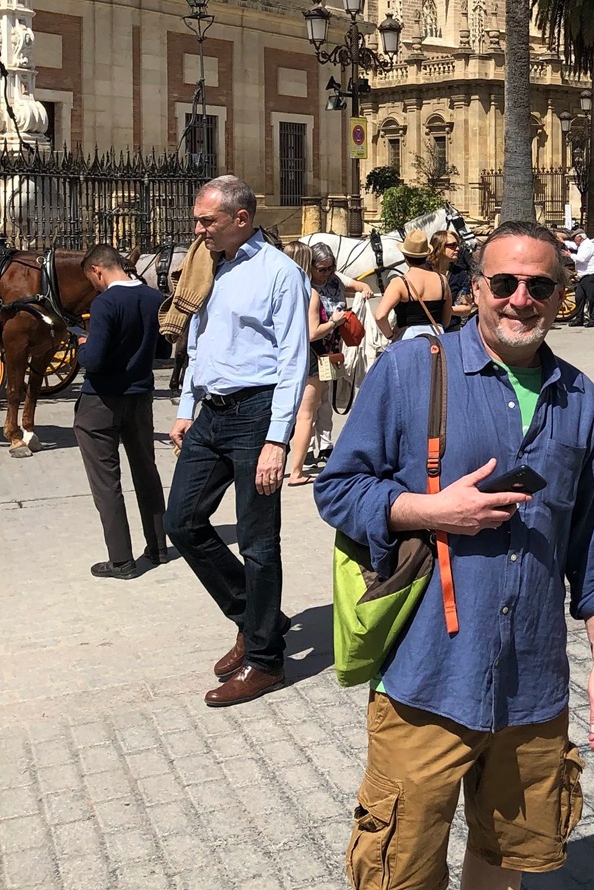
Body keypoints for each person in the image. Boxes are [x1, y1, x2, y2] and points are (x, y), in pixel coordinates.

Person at [315, 220, 594, 890]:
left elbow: (593, 545)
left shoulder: (579, 397)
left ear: (564, 294)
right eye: (504, 284)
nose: (522, 299)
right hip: (425, 679)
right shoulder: (417, 370)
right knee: (400, 874)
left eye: (542, 286)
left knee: (507, 850)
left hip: (533, 684)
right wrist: (426, 510)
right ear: (472, 290)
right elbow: (339, 489)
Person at [164, 176, 309, 707]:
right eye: (198, 220)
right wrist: (185, 408)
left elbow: (294, 359)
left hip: (256, 414)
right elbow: (198, 341)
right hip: (210, 413)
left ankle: (266, 661)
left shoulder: (280, 273)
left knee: (257, 541)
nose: (197, 230)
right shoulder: (207, 264)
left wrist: (278, 439)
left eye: (208, 221)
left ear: (241, 218)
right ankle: (255, 617)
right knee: (181, 522)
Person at [72, 244, 167, 580]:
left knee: (106, 482)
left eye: (92, 279)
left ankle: (122, 560)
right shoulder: (153, 298)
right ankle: (158, 546)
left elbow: (94, 360)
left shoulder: (105, 303)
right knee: (146, 471)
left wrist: (82, 348)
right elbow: (164, 346)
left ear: (98, 270)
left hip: (101, 400)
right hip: (140, 396)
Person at [287, 243, 373, 484]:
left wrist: (363, 290)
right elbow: (312, 332)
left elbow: (359, 285)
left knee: (326, 399)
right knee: (307, 409)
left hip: (332, 350)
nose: (327, 273)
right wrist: (335, 321)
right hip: (314, 351)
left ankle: (323, 444)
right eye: (322, 269)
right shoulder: (308, 290)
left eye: (330, 268)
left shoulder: (334, 279)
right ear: (310, 266)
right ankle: (303, 454)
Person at [374, 229, 453, 341]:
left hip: (408, 338)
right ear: (426, 255)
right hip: (436, 338)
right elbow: (446, 317)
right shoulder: (442, 280)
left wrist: (390, 335)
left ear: (405, 256)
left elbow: (380, 316)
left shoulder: (400, 283)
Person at [567, 229, 594, 328]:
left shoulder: (588, 246)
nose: (574, 240)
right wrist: (562, 242)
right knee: (579, 298)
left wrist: (570, 255)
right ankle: (579, 319)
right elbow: (573, 245)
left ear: (580, 237)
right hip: (583, 276)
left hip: (591, 275)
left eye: (574, 238)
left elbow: (582, 259)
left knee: (592, 299)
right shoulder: (581, 245)